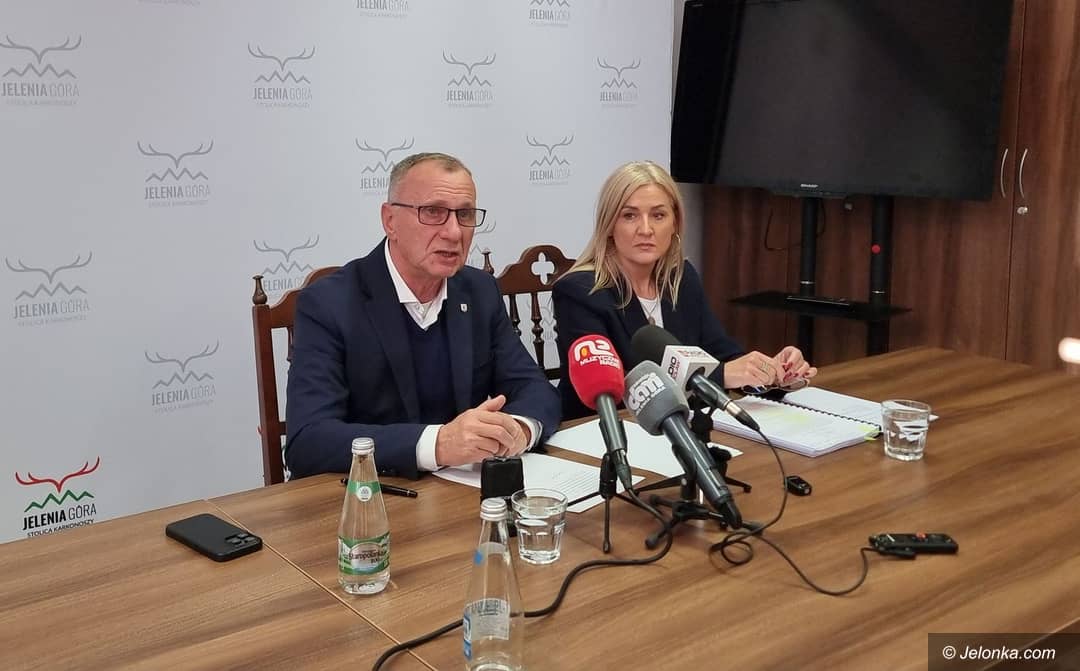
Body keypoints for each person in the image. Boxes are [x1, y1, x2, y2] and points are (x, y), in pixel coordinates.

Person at [285, 152, 561, 479]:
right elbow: (308, 440)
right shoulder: (329, 303)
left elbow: (535, 389)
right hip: (373, 493)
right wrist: (437, 445)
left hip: (464, 490)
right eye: (433, 212)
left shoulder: (479, 291)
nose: (454, 233)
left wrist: (518, 429)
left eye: (465, 214)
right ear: (390, 220)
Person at [553, 160, 816, 419]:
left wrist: (771, 373)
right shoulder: (579, 292)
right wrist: (723, 375)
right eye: (629, 215)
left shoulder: (680, 277)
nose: (646, 229)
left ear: (675, 223)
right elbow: (623, 388)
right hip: (600, 431)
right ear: (609, 225)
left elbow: (721, 353)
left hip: (679, 426)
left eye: (658, 215)